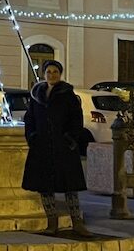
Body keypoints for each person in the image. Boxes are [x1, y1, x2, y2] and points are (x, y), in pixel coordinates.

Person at [22, 60, 93, 237]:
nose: (52, 75)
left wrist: (70, 139)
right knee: (45, 187)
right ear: (44, 74)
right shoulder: (37, 95)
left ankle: (77, 223)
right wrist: (32, 137)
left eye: (55, 72)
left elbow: (77, 120)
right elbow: (29, 119)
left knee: (70, 187)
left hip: (63, 148)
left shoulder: (68, 95)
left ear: (60, 74)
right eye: (49, 72)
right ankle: (51, 223)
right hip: (42, 148)